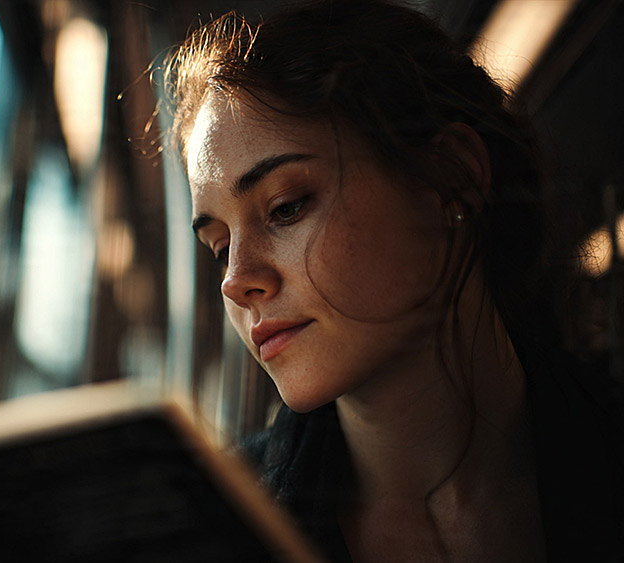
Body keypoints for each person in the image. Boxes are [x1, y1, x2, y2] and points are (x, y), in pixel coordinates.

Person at [161, 1, 624, 560]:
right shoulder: (208, 536)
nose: (236, 281)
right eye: (220, 247)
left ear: (449, 177)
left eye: (286, 207)